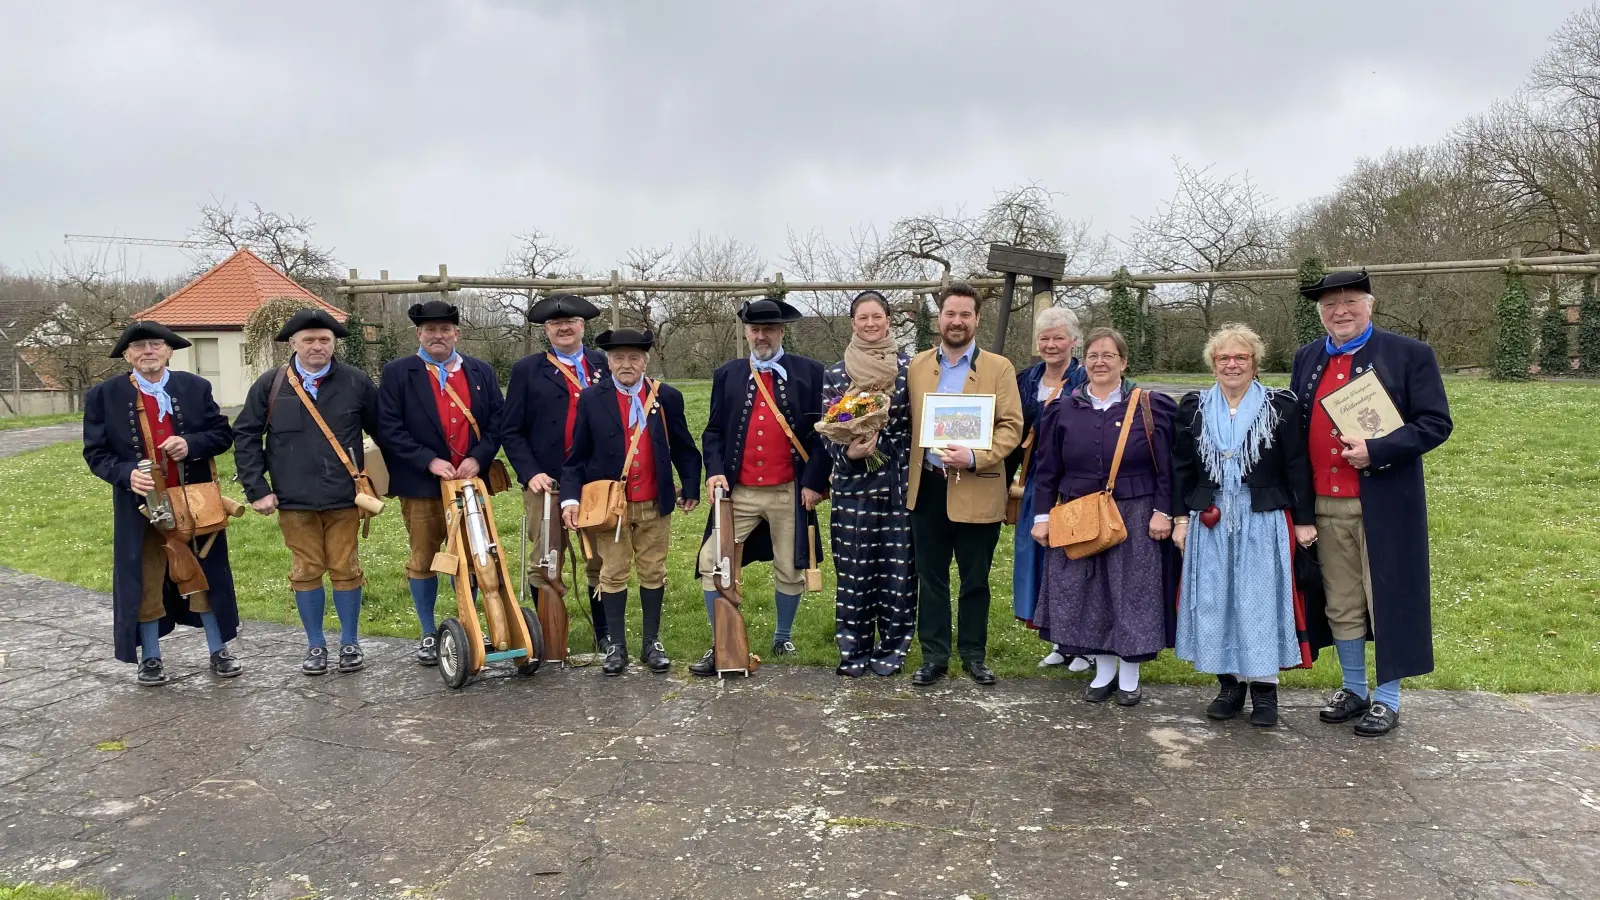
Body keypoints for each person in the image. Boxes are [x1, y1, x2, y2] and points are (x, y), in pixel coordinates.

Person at [1291, 271, 1453, 737]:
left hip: (1384, 502)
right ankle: (1354, 687)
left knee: (1388, 597)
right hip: (1325, 502)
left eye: (1349, 302)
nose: (1340, 311)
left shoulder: (1409, 354)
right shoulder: (1307, 357)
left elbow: (1435, 423)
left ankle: (1387, 697)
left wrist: (1377, 450)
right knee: (1341, 601)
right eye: (1329, 305)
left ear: (1370, 305)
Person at [1172, 324, 1320, 727]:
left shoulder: (1280, 407)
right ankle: (1230, 685)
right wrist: (1180, 519)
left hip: (1262, 517)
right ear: (1213, 364)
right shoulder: (1194, 408)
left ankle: (1265, 692)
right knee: (1217, 600)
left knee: (1259, 601)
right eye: (1224, 358)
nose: (1232, 365)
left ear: (1255, 363)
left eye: (1241, 358)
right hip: (1211, 519)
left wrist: (1305, 521)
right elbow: (1182, 469)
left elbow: (1296, 466)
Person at [82, 321, 242, 685]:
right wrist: (125, 474)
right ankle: (151, 657)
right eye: (138, 347)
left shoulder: (195, 387)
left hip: (194, 500)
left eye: (155, 345)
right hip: (140, 506)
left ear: (169, 351)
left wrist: (191, 444)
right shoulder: (103, 395)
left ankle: (219, 650)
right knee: (146, 578)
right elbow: (95, 453)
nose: (147, 352)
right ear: (127, 355)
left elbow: (221, 434)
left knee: (203, 576)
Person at [1029, 327, 1178, 706]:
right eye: (1093, 355)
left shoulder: (1148, 406)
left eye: (1109, 356)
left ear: (1123, 362)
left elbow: (1168, 467)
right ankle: (1104, 671)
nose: (1100, 362)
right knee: (1089, 592)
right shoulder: (1062, 408)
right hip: (1078, 513)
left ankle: (1130, 675)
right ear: (1085, 361)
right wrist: (1041, 517)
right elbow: (1046, 470)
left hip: (1135, 510)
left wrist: (1164, 512)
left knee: (1131, 592)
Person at [233, 308, 381, 676]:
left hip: (345, 498)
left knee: (347, 569)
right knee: (305, 571)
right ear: (293, 343)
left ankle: (350, 643)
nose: (317, 346)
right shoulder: (270, 384)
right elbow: (246, 435)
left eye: (325, 340)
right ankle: (316, 645)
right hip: (292, 499)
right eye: (310, 339)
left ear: (334, 344)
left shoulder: (356, 381)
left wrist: (387, 480)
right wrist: (257, 489)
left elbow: (385, 433)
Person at [690, 297, 830, 675]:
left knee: (790, 565)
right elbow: (714, 431)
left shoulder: (810, 372)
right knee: (711, 562)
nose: (761, 336)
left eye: (769, 329)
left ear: (781, 332)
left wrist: (814, 482)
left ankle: (783, 636)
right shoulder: (728, 374)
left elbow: (823, 436)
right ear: (747, 333)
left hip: (790, 489)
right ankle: (721, 639)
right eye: (755, 329)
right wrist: (715, 472)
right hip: (740, 492)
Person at [560, 328, 701, 676]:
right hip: (611, 508)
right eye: (619, 358)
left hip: (655, 500)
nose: (626, 364)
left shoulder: (666, 396)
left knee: (654, 569)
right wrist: (570, 500)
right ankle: (616, 645)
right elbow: (576, 456)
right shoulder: (593, 398)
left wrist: (691, 486)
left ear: (645, 361)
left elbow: (683, 446)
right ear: (608, 362)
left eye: (633, 358)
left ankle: (651, 642)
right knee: (613, 571)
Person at [905, 283, 1024, 687]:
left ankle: (974, 655)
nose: (957, 321)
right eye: (950, 314)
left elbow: (1012, 426)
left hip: (978, 484)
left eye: (965, 315)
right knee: (931, 577)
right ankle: (934, 656)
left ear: (976, 319)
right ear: (939, 318)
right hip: (929, 487)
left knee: (976, 579)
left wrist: (976, 456)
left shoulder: (999, 367)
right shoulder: (918, 366)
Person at [377, 299, 504, 666]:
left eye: (444, 330)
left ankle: (469, 622)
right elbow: (389, 427)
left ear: (457, 333)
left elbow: (497, 420)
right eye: (430, 330)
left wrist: (477, 457)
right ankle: (428, 632)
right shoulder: (399, 372)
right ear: (419, 334)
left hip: (469, 482)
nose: (438, 336)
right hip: (421, 484)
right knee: (424, 558)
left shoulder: (480, 371)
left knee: (476, 554)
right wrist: (427, 460)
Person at [501, 294, 611, 650]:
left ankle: (604, 632)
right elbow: (512, 430)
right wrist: (530, 472)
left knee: (600, 557)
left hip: (594, 480)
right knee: (545, 558)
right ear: (547, 329)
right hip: (545, 479)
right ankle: (549, 634)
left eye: (572, 322)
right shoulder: (526, 370)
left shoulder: (603, 364)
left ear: (583, 326)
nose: (564, 327)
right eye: (555, 323)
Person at [822, 291, 916, 676]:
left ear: (889, 320)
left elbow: (918, 426)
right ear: (853, 323)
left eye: (877, 316)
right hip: (853, 487)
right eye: (863, 318)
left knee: (898, 575)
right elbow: (828, 432)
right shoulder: (836, 373)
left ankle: (892, 652)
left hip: (897, 484)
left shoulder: (911, 368)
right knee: (854, 574)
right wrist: (850, 453)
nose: (871, 323)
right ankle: (854, 651)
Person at [1006, 306, 1089, 671]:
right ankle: (1057, 639)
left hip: (1076, 483)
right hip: (1037, 480)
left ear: (1074, 340)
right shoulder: (1026, 379)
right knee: (1039, 558)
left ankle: (1084, 644)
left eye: (1059, 337)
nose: (1051, 344)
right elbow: (1012, 429)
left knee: (1075, 558)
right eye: (1045, 338)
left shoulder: (1086, 378)